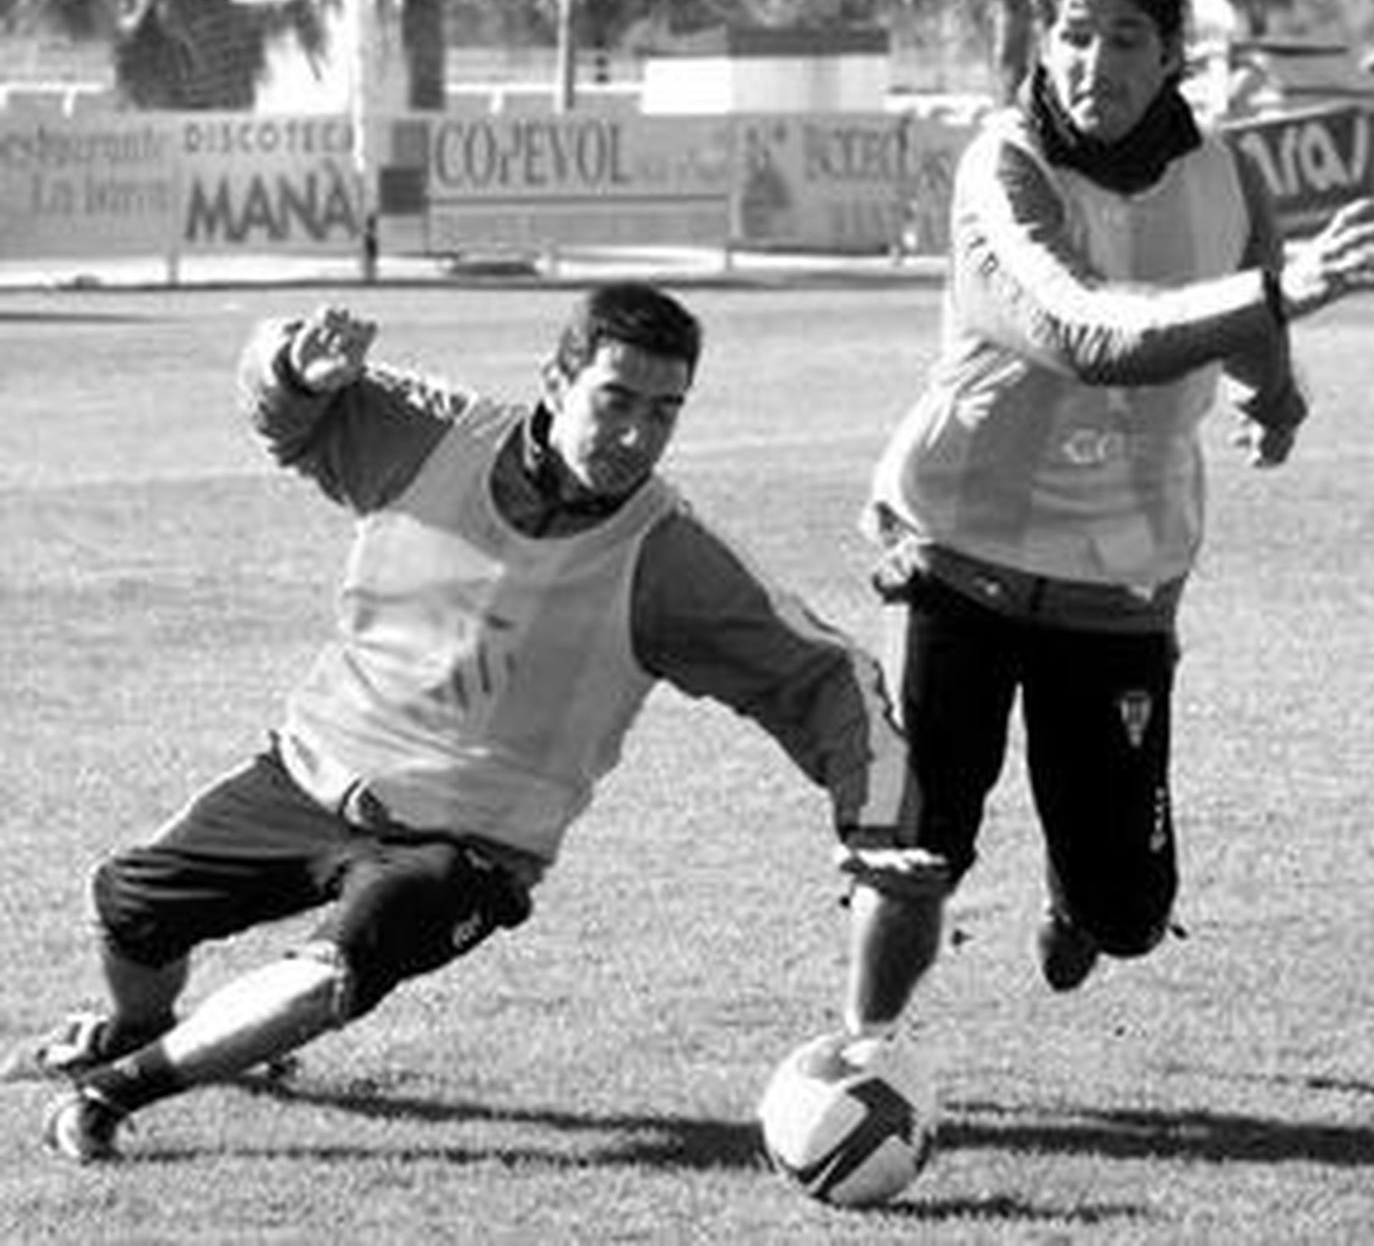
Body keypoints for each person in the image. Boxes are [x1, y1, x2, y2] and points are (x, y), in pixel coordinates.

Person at [11, 281, 941, 1163]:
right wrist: (292, 365)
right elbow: (287, 413)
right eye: (616, 399)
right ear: (556, 381)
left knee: (339, 969)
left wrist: (876, 827)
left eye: (664, 412)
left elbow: (825, 676)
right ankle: (140, 1026)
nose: (634, 434)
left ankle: (112, 1093)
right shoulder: (433, 438)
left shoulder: (671, 559)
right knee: (127, 903)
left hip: (465, 847)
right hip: (309, 773)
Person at [841, 0, 1374, 1039]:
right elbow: (1080, 327)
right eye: (1073, 35)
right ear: (1042, 45)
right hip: (956, 553)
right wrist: (1278, 300)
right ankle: (858, 1055)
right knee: (917, 847)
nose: (1093, 63)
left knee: (1128, 910)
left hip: (1123, 577)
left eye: (1124, 39)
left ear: (1170, 57)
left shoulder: (1224, 170)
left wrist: (1273, 398)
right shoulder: (1001, 168)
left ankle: (1077, 897)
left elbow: (1243, 317)